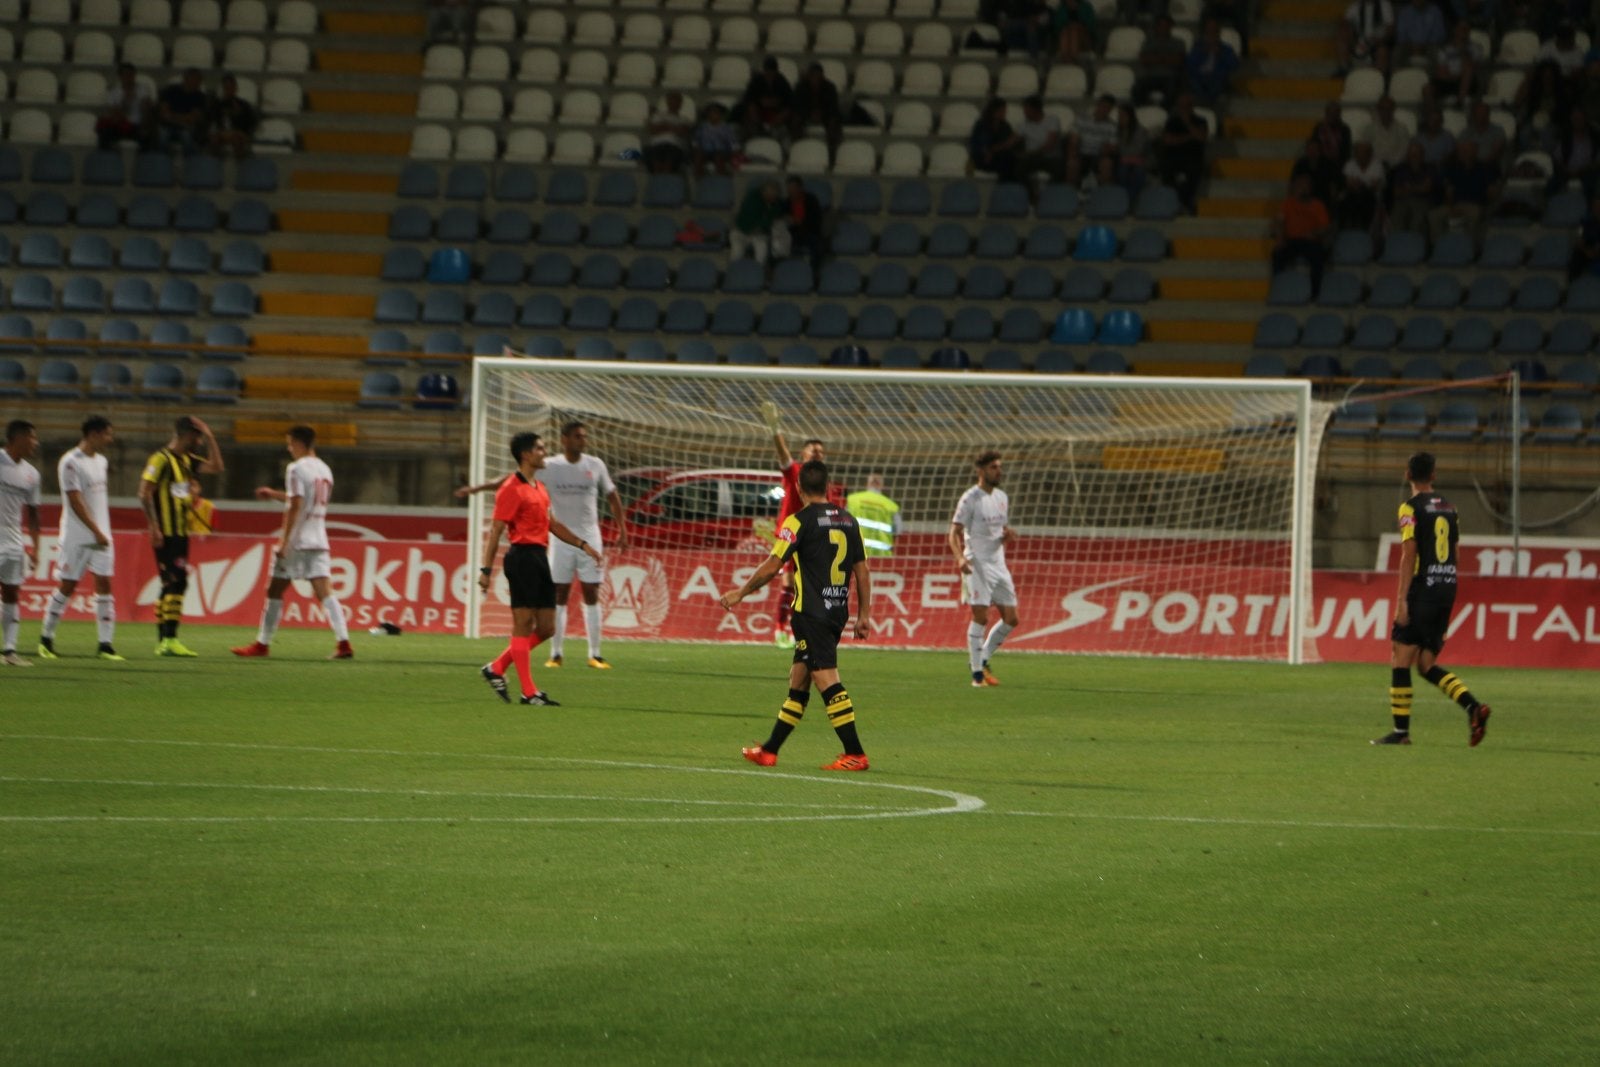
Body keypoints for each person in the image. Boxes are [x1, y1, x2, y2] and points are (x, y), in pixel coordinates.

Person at [720, 459, 872, 773]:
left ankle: (855, 753)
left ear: (799, 488)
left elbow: (774, 565)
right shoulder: (848, 520)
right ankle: (770, 750)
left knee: (827, 680)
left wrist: (740, 592)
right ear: (828, 486)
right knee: (798, 680)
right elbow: (862, 571)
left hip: (811, 613)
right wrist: (864, 615)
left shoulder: (796, 521)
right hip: (837, 610)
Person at [475, 432, 602, 706]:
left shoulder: (538, 487)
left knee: (546, 628)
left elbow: (552, 524)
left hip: (540, 558)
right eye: (540, 448)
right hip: (521, 558)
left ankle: (497, 667)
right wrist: (485, 570)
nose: (545, 452)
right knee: (523, 624)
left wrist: (583, 545)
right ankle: (529, 692)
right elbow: (496, 530)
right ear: (526, 455)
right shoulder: (511, 488)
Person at [1374, 452, 1492, 747]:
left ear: (1407, 474)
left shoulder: (1409, 508)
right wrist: (1446, 584)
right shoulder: (1450, 509)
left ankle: (1401, 733)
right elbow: (1456, 552)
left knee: (1400, 657)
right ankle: (1473, 708)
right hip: (1446, 588)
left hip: (1422, 589)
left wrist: (1402, 600)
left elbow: (1408, 553)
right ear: (1434, 476)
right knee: (1426, 663)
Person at [231, 426, 353, 660]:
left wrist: (284, 542)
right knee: (325, 592)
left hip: (298, 540)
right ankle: (344, 642)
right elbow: (304, 498)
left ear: (298, 443)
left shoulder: (295, 468)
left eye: (290, 443)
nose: (288, 448)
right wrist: (274, 494)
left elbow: (296, 505)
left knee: (274, 590)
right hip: (319, 538)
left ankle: (262, 645)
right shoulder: (325, 469)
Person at [760, 401, 843, 649]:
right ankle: (779, 630)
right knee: (788, 582)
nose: (817, 453)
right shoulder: (794, 470)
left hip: (814, 539)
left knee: (808, 588)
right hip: (791, 534)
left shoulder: (824, 483)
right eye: (812, 450)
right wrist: (775, 429)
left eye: (820, 451)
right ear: (804, 454)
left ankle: (801, 630)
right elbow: (783, 456)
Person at [38, 416, 122, 661]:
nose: (111, 438)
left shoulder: (102, 461)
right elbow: (75, 501)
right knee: (68, 585)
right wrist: (95, 531)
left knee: (105, 584)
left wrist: (101, 532)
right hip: (78, 536)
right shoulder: (70, 462)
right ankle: (46, 640)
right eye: (108, 434)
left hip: (102, 535)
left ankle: (105, 645)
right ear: (94, 434)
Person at [139, 416, 224, 657]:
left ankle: (164, 640)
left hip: (180, 532)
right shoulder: (160, 459)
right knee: (177, 581)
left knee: (171, 582)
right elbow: (144, 492)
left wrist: (210, 437)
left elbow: (216, 467)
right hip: (165, 531)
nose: (198, 440)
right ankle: (169, 638)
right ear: (186, 434)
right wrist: (153, 526)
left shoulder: (186, 460)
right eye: (197, 436)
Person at [949, 451, 1017, 688]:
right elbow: (953, 533)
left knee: (1011, 619)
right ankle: (977, 675)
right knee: (981, 616)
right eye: (993, 467)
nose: (999, 471)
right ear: (981, 471)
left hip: (998, 564)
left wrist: (1006, 535)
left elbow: (999, 528)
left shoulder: (1002, 497)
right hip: (976, 563)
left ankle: (983, 657)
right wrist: (960, 558)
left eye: (999, 466)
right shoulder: (970, 498)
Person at [1, 420, 42, 667]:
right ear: (18, 438)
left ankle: (9, 651)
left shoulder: (31, 474)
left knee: (12, 594)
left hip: (14, 540)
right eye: (32, 438)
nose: (35, 443)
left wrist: (35, 547)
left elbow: (34, 514)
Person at [1271, 172, 1333, 294]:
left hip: (1310, 240)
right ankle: (1278, 290)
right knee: (1277, 254)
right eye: (1300, 185)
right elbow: (1279, 221)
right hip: (1292, 240)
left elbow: (1326, 227)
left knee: (1318, 258)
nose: (1303, 188)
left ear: (1311, 188)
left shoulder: (1317, 205)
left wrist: (1314, 233)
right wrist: (1280, 238)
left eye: (1306, 185)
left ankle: (1315, 293)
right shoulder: (1288, 203)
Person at [1161, 93, 1210, 212]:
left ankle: (1185, 203)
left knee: (1193, 173)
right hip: (1173, 156)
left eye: (1186, 106)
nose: (1183, 109)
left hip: (1193, 157)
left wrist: (1187, 123)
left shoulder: (1200, 121)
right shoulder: (1172, 121)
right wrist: (1188, 137)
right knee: (1166, 169)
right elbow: (1168, 140)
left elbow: (1201, 137)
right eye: (1181, 106)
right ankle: (1175, 202)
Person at [788, 64, 844, 164]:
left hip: (825, 115)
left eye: (818, 76)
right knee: (795, 120)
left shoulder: (830, 87)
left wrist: (821, 114)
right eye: (813, 76)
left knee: (834, 123)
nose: (815, 79)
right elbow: (797, 106)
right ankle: (797, 150)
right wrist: (809, 114)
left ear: (822, 76)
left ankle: (831, 154)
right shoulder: (801, 87)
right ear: (809, 76)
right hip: (806, 114)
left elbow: (833, 108)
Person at [97, 62, 156, 150]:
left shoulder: (143, 90)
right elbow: (115, 116)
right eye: (126, 74)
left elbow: (148, 110)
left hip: (138, 126)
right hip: (121, 125)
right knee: (105, 132)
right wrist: (126, 102)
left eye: (131, 74)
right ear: (120, 76)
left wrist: (146, 111)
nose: (129, 77)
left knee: (148, 135)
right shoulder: (114, 93)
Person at [730, 180, 789, 266]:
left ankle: (759, 274)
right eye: (770, 196)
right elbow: (752, 220)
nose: (772, 199)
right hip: (741, 231)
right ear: (764, 192)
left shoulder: (776, 202)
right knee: (737, 253)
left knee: (762, 252)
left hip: (759, 233)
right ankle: (733, 272)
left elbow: (770, 219)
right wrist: (764, 221)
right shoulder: (752, 198)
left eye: (774, 196)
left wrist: (765, 221)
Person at [735, 57, 793, 143]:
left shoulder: (782, 81)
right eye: (767, 71)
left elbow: (789, 101)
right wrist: (760, 102)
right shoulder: (757, 81)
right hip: (759, 112)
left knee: (787, 111)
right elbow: (748, 98)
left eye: (771, 71)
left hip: (777, 113)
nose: (769, 74)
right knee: (750, 109)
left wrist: (775, 103)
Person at [1133, 15, 1188, 105]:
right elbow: (1143, 59)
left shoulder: (1178, 42)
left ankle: (1165, 113)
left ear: (1170, 27)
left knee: (1174, 90)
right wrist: (1167, 58)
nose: (1163, 28)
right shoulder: (1148, 41)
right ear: (1156, 27)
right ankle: (1144, 110)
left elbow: (1178, 61)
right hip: (1150, 76)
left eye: (1166, 26)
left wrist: (1155, 57)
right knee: (1137, 88)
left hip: (1170, 77)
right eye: (1161, 26)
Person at [1185, 18, 1240, 105]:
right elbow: (1189, 64)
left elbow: (1234, 65)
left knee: (1217, 83)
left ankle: (1207, 102)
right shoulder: (1197, 47)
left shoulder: (1226, 48)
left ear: (1218, 32)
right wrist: (1202, 52)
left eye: (1214, 31)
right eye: (1209, 31)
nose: (1211, 34)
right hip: (1199, 77)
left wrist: (1220, 54)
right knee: (1193, 82)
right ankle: (1205, 101)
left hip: (1217, 77)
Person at [846, 474, 900, 558]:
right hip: (882, 557)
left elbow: (842, 524)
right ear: (881, 486)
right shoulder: (891, 506)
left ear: (867, 484)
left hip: (856, 553)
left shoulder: (852, 500)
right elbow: (897, 532)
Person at [969, 98, 1023, 182]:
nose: (1004, 113)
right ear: (993, 111)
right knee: (1007, 162)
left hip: (1000, 157)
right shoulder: (981, 125)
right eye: (1001, 111)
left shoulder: (1005, 125)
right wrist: (988, 152)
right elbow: (978, 145)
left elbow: (1008, 143)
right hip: (983, 159)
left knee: (1012, 160)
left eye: (1004, 111)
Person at [157, 67, 209, 155]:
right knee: (162, 137)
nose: (197, 82)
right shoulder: (170, 91)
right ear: (186, 78)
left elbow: (193, 118)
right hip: (167, 126)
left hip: (186, 129)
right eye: (195, 79)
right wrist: (183, 119)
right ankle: (163, 164)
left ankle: (190, 165)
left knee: (187, 139)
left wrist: (173, 116)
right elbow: (164, 114)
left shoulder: (200, 97)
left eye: (198, 80)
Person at [206, 73, 258, 159]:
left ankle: (240, 165)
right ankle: (217, 164)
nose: (229, 90)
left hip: (238, 133)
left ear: (235, 88)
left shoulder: (244, 105)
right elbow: (212, 121)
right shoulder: (217, 105)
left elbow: (250, 123)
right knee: (213, 140)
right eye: (226, 87)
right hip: (221, 133)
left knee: (238, 140)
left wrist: (239, 115)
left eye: (231, 87)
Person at [1337, 0, 1395, 75]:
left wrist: (1378, 40)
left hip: (1378, 43)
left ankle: (1379, 79)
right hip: (1359, 43)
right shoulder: (1356, 6)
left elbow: (1390, 29)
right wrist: (1353, 41)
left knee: (1382, 50)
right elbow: (1344, 23)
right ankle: (1344, 69)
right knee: (1342, 33)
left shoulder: (1384, 4)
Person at [644, 91, 693, 175]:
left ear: (680, 104)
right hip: (656, 145)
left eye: (676, 101)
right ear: (667, 102)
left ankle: (666, 180)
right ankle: (657, 180)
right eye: (671, 100)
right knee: (653, 155)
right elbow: (653, 130)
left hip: (675, 146)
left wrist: (664, 126)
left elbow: (683, 132)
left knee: (670, 157)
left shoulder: (684, 119)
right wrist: (673, 127)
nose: (673, 103)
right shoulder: (658, 116)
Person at [784, 176, 826, 274]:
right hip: (792, 233)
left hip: (809, 232)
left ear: (800, 188)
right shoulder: (786, 202)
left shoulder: (811, 200)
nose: (791, 191)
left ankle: (813, 274)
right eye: (789, 188)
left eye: (793, 188)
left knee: (818, 246)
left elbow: (816, 220)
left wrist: (800, 221)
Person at [691, 102, 739, 178]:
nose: (713, 115)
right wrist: (696, 148)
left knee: (718, 157)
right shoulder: (702, 127)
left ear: (721, 114)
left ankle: (720, 179)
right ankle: (698, 180)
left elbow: (733, 143)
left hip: (721, 151)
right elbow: (695, 141)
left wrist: (734, 152)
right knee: (698, 156)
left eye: (716, 112)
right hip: (705, 151)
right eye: (711, 112)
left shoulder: (726, 128)